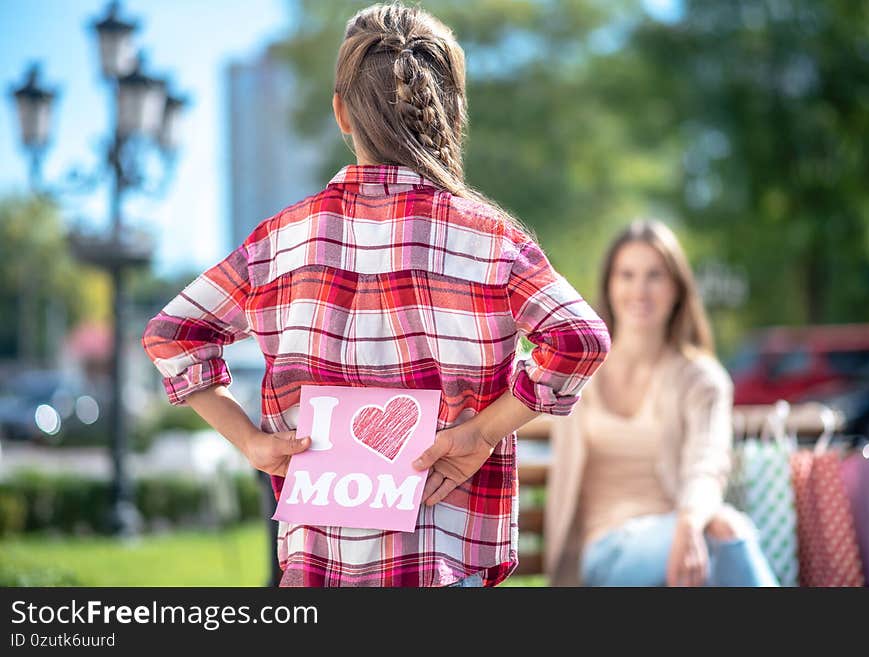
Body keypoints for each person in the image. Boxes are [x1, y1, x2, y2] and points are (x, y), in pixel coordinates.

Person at [142, 3, 610, 587]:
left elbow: (172, 333)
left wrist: (251, 442)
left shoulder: (279, 243)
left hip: (316, 570)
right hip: (445, 563)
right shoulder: (492, 242)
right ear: (453, 112)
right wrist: (481, 433)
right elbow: (580, 338)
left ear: (341, 112)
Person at [545, 220, 778, 587]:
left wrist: (688, 521)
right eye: (627, 275)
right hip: (604, 554)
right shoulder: (578, 372)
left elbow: (709, 461)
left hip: (684, 537)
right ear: (609, 284)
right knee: (723, 530)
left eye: (655, 275)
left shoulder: (700, 378)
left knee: (723, 528)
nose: (640, 289)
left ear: (676, 289)